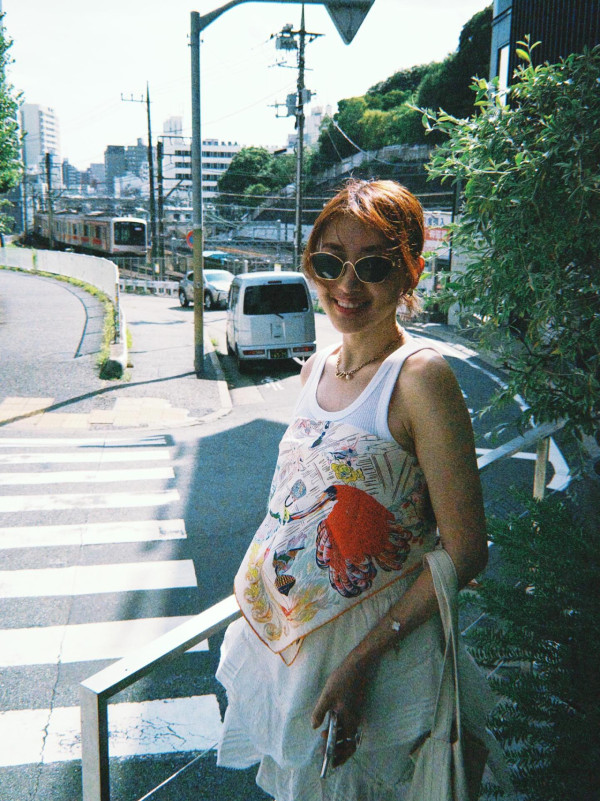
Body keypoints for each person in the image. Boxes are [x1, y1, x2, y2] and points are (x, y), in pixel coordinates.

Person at [216, 179, 497, 801]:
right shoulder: (315, 367)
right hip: (297, 652)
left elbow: (466, 550)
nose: (346, 285)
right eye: (329, 262)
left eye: (373, 266)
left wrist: (360, 663)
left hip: (374, 658)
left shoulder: (420, 378)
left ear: (411, 273)